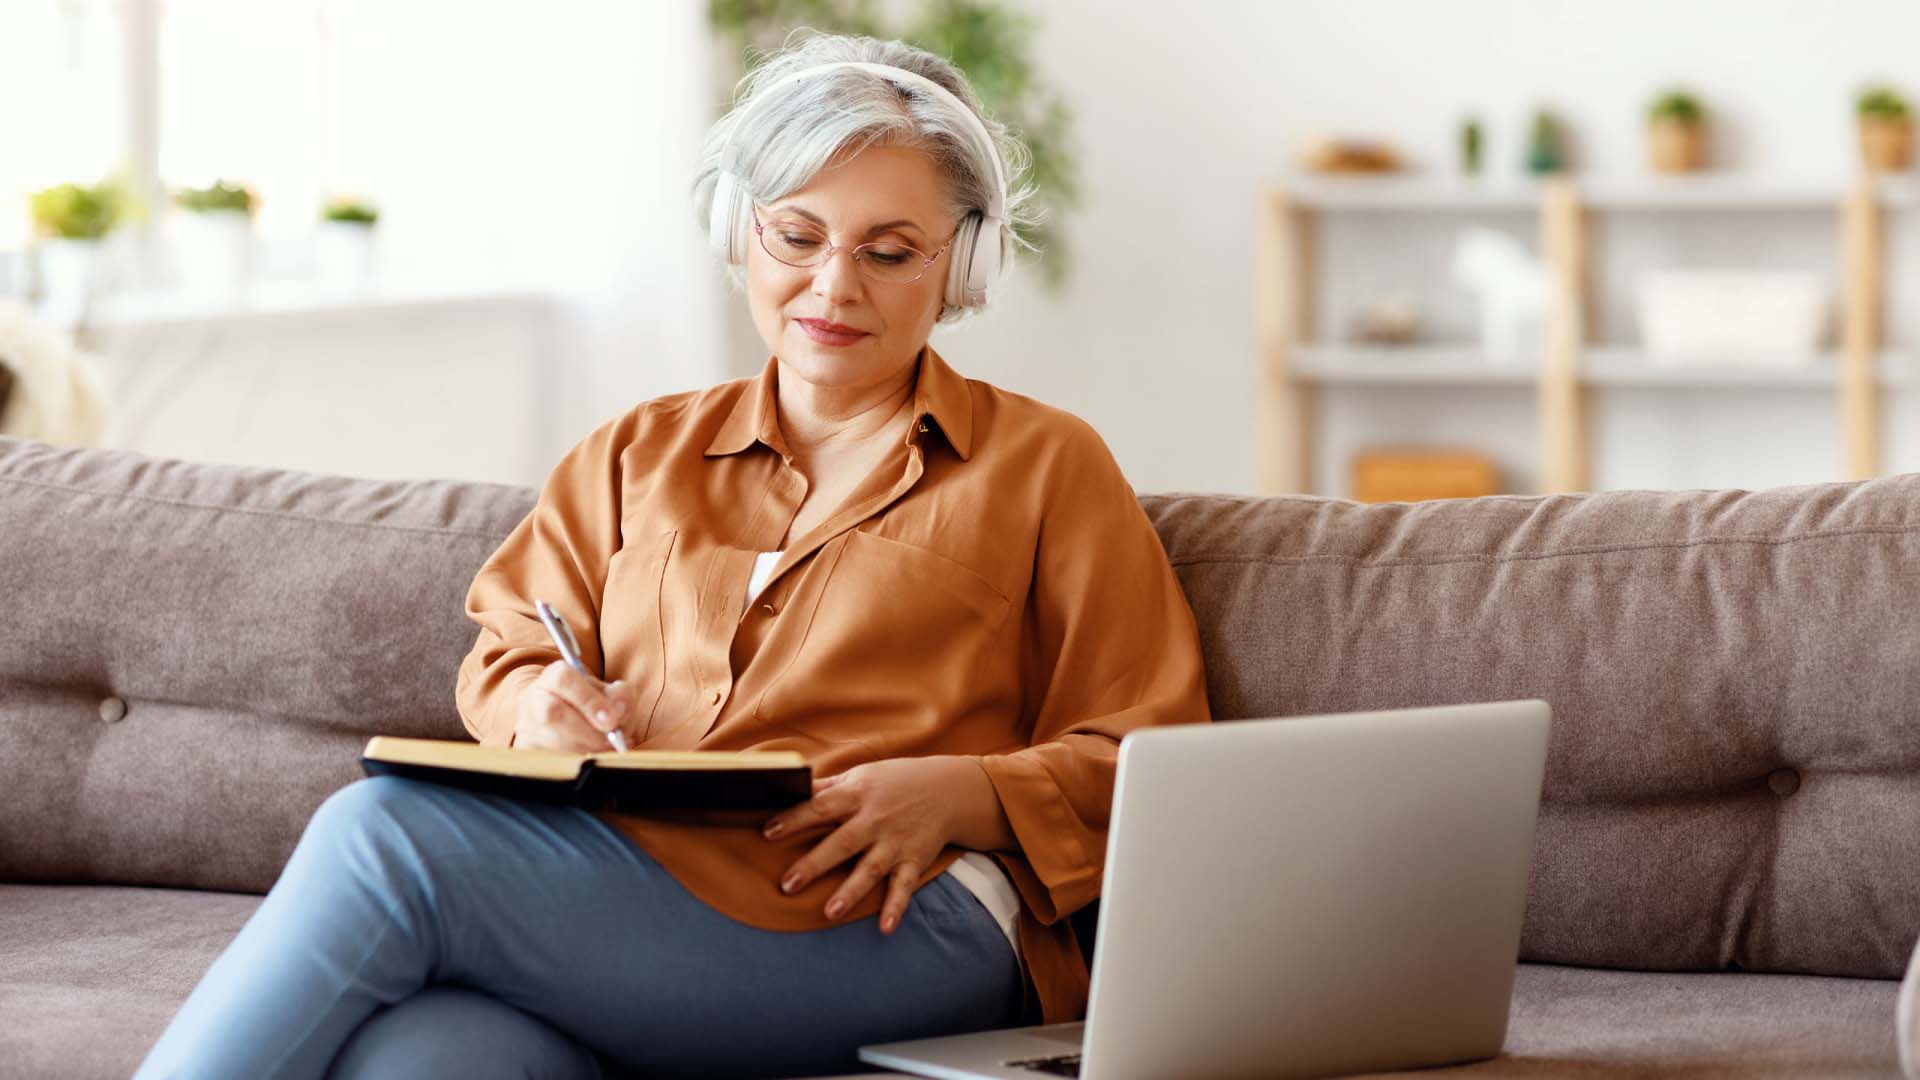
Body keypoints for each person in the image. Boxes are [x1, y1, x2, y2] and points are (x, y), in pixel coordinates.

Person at [134, 29, 1210, 1080]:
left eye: (888, 253)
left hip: (897, 915)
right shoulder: (632, 454)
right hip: (634, 890)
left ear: (957, 263)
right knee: (435, 1052)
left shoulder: (1045, 467)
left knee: (385, 835)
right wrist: (536, 709)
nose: (834, 288)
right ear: (742, 232)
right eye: (797, 237)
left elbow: (1158, 751)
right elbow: (508, 649)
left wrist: (967, 793)